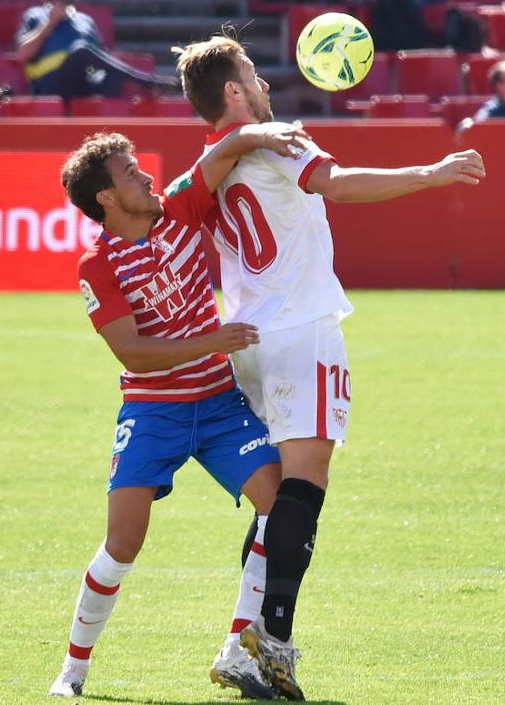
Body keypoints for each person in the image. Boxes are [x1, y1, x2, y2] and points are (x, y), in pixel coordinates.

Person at [174, 33, 486, 700]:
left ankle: (239, 644)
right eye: (252, 72)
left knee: (274, 498)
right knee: (304, 489)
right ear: (233, 91)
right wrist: (430, 174)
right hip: (302, 329)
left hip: (250, 337)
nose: (262, 81)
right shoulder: (275, 136)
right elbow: (337, 185)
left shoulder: (211, 163)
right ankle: (275, 644)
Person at [49, 122, 314, 700]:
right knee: (123, 542)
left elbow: (221, 152)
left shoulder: (180, 209)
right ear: (107, 198)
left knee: (280, 507)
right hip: (153, 414)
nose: (146, 176)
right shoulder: (97, 266)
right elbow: (133, 354)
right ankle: (72, 670)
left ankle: (235, 650)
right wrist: (211, 342)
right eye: (130, 174)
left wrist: (265, 130)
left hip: (219, 406)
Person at [15, 0, 174, 101]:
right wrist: (51, 22)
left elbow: (101, 57)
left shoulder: (85, 21)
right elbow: (23, 54)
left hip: (84, 83)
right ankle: (146, 81)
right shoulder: (35, 15)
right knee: (81, 49)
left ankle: (126, 116)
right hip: (50, 85)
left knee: (111, 78)